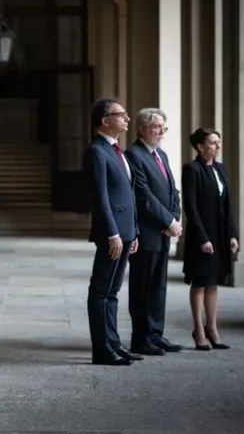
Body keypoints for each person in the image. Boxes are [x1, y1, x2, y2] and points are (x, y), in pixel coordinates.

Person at [84, 97, 140, 366]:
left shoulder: (118, 151)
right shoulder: (97, 151)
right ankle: (102, 349)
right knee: (101, 291)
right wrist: (112, 233)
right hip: (112, 234)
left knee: (113, 292)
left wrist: (134, 231)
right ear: (106, 121)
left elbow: (128, 195)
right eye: (121, 114)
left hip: (125, 231)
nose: (127, 119)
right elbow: (100, 197)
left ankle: (114, 343)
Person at [124, 108, 183, 355]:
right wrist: (168, 221)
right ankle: (141, 338)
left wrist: (175, 218)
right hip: (147, 233)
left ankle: (156, 334)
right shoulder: (133, 155)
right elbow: (143, 196)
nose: (161, 132)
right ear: (141, 129)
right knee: (143, 287)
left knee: (158, 286)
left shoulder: (162, 154)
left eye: (163, 127)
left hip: (163, 232)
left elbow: (172, 191)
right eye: (156, 127)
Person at [182, 128, 239, 350]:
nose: (218, 146)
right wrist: (202, 238)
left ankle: (212, 329)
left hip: (220, 233)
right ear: (200, 147)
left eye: (219, 142)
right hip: (201, 234)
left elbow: (228, 206)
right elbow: (191, 206)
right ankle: (198, 329)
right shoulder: (192, 169)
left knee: (213, 281)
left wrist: (232, 234)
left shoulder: (221, 169)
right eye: (213, 142)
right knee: (200, 281)